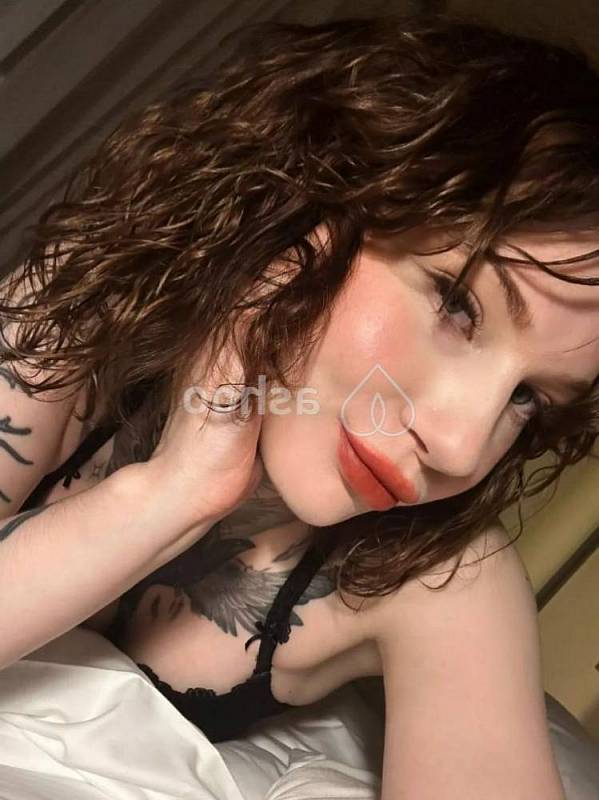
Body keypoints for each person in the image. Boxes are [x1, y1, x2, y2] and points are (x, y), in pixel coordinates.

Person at [0, 11, 598, 798]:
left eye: (527, 399)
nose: (460, 445)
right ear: (313, 208)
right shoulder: (82, 314)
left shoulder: (443, 579)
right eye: (457, 305)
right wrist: (169, 492)